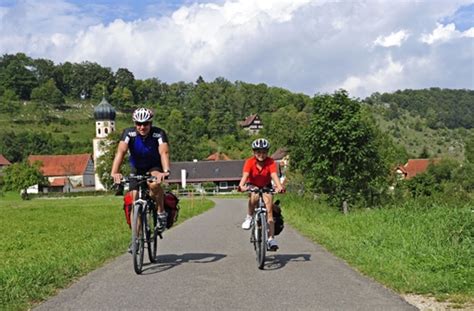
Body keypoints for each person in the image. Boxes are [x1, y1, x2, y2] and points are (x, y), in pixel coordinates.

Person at [111, 107, 171, 230]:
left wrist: (165, 172)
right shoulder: (129, 133)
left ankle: (161, 212)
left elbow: (164, 153)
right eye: (139, 124)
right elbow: (120, 152)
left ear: (151, 123)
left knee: (154, 184)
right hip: (137, 168)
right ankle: (136, 240)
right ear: (135, 124)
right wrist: (114, 172)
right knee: (134, 198)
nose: (142, 127)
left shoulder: (158, 134)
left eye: (145, 124)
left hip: (154, 166)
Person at [238, 138, 284, 251]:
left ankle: (271, 239)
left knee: (269, 210)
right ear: (254, 152)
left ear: (267, 153)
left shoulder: (270, 162)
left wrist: (279, 187)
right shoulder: (249, 162)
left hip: (266, 185)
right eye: (258, 152)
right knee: (254, 197)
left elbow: (274, 175)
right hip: (253, 184)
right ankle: (249, 217)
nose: (261, 155)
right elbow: (245, 176)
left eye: (264, 152)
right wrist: (241, 186)